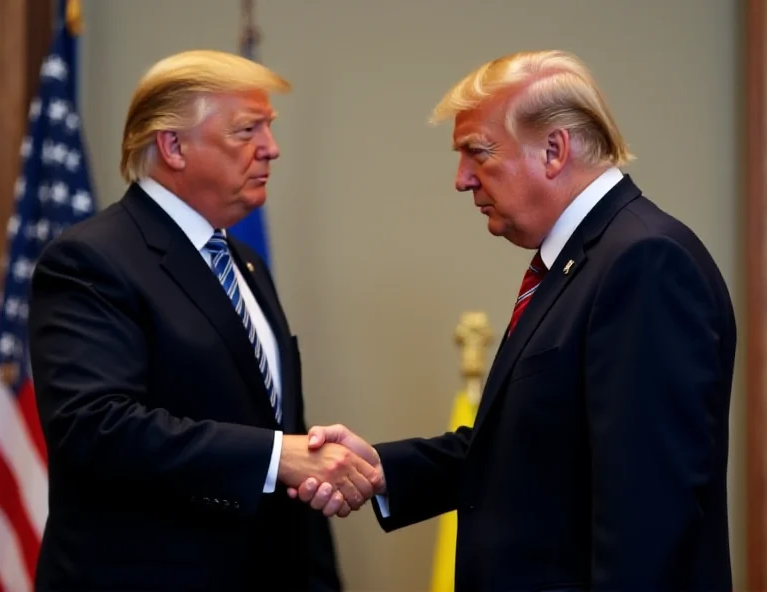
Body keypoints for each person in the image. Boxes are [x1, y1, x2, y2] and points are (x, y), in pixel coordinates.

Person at [293, 50, 736, 591]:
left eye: (477, 153)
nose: (462, 180)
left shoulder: (644, 263)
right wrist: (382, 470)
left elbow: (648, 513)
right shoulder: (580, 262)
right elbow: (525, 451)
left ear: (554, 149)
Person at [28, 50, 380, 592]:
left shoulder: (244, 262)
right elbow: (96, 426)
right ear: (172, 146)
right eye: (247, 130)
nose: (272, 148)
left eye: (269, 127)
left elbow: (276, 429)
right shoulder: (90, 258)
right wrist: (273, 456)